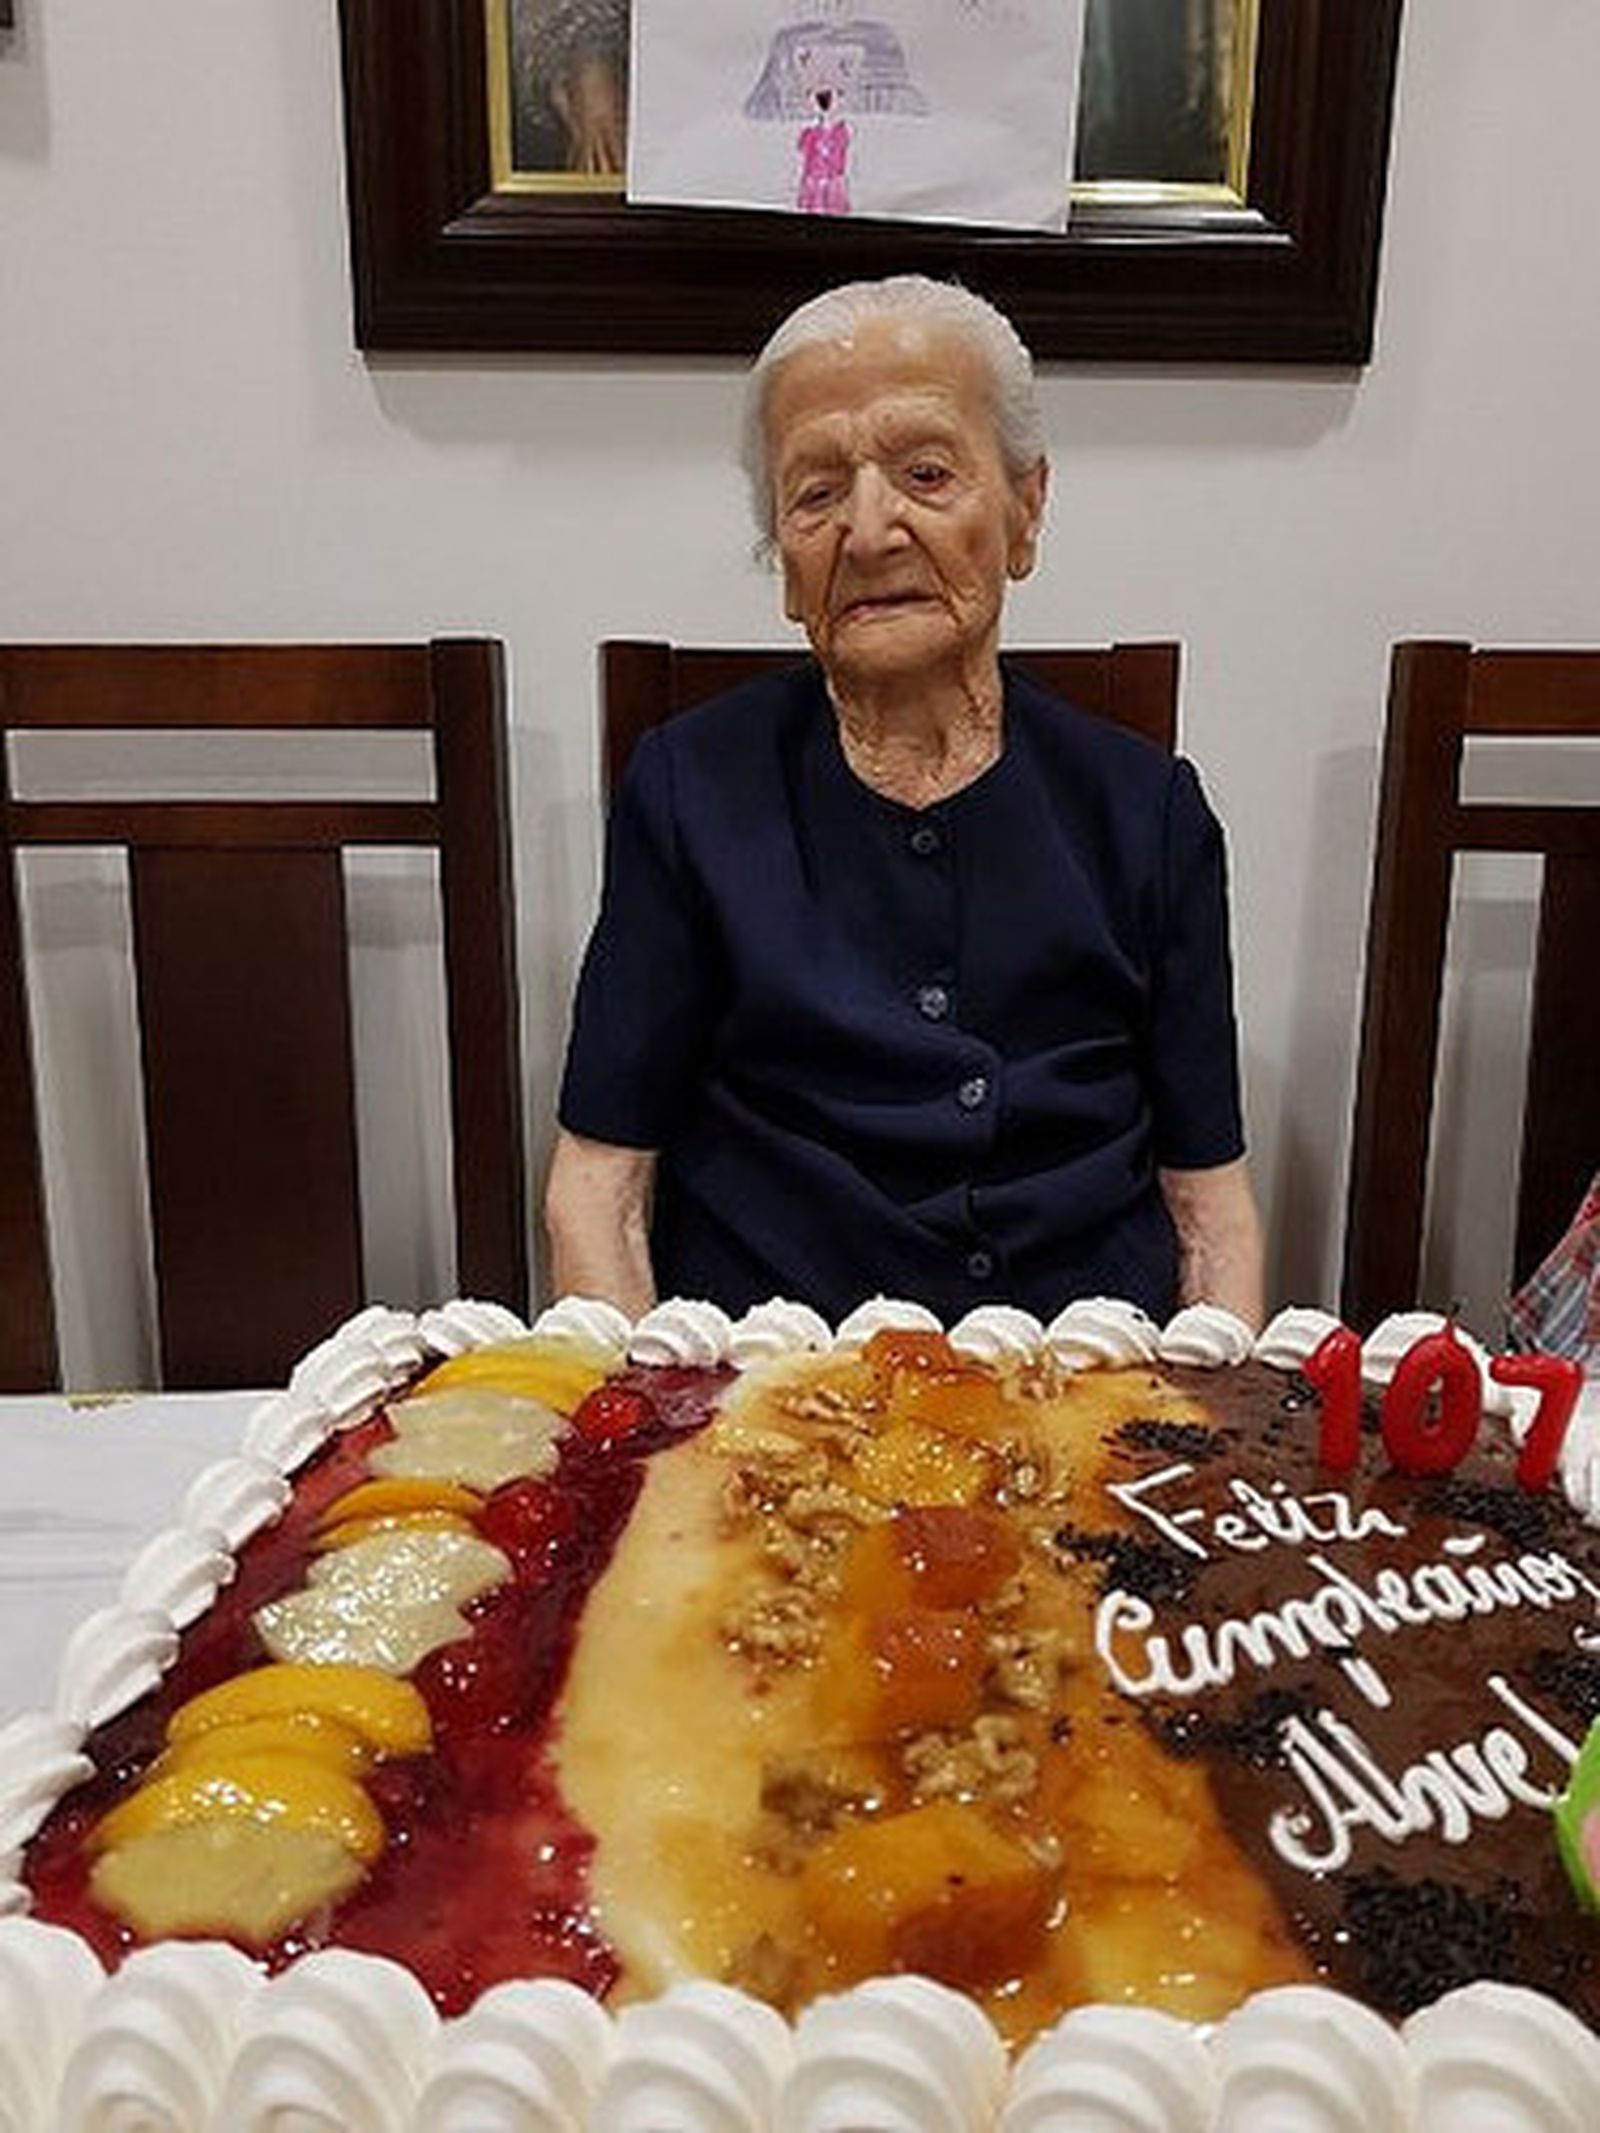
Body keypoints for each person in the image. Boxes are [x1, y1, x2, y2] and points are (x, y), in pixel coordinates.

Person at [546, 274, 1263, 1329]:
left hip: (1077, 1399)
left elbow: (1210, 1212)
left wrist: (1198, 1452)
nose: (870, 529)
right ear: (786, 564)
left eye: (925, 472)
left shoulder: (1145, 811)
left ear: (1025, 509)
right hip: (771, 1404)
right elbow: (597, 1190)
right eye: (816, 492)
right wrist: (653, 1445)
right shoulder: (686, 791)